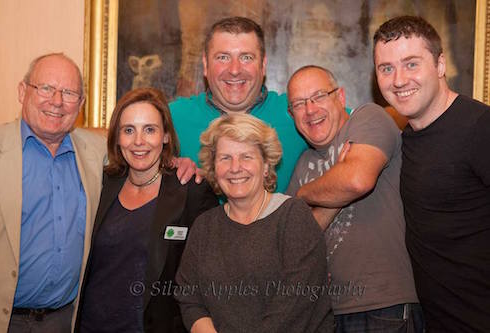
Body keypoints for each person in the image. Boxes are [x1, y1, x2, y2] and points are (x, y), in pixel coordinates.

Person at [373, 16, 490, 332]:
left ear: (440, 65)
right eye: (386, 68)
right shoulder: (407, 138)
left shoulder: (479, 127)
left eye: (411, 64)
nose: (398, 80)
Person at [286, 65, 422, 332]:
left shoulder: (368, 118)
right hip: (327, 314)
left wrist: (304, 194)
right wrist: (335, 190)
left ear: (341, 97)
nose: (310, 110)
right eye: (299, 104)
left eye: (319, 96)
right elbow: (296, 240)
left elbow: (357, 180)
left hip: (383, 306)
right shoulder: (304, 162)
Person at [75, 88, 217, 332]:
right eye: (128, 130)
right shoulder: (101, 182)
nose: (138, 141)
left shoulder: (191, 191)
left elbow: (211, 273)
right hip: (91, 324)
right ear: (117, 138)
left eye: (149, 129)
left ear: (166, 136)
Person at [175, 114, 333, 333]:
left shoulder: (293, 217)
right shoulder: (204, 227)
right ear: (213, 168)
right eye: (225, 158)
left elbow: (296, 306)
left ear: (266, 165)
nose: (235, 167)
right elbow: (189, 297)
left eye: (246, 157)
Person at [0, 53, 106, 332]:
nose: (57, 101)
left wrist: (178, 163)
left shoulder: (98, 152)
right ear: (22, 91)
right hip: (0, 319)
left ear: (80, 104)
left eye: (68, 93)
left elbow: (143, 158)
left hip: (64, 320)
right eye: (45, 88)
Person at [170, 16, 307, 192]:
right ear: (205, 65)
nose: (234, 70)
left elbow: (348, 124)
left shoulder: (297, 111)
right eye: (223, 57)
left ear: (263, 65)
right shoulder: (172, 117)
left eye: (246, 57)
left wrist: (311, 196)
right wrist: (165, 167)